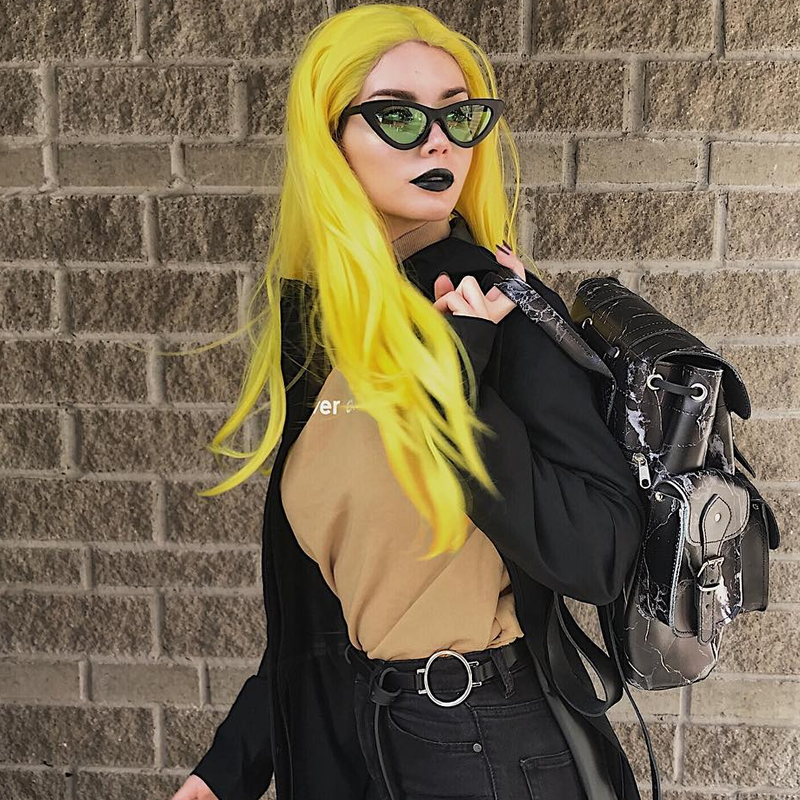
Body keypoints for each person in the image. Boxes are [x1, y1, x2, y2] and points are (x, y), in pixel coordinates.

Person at [170, 4, 647, 800]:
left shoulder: (491, 304)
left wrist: (453, 387)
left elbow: (598, 552)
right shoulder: (327, 325)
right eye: (398, 116)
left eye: (458, 115)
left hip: (492, 747)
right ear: (330, 141)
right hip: (365, 737)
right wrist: (228, 768)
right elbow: (332, 598)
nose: (438, 143)